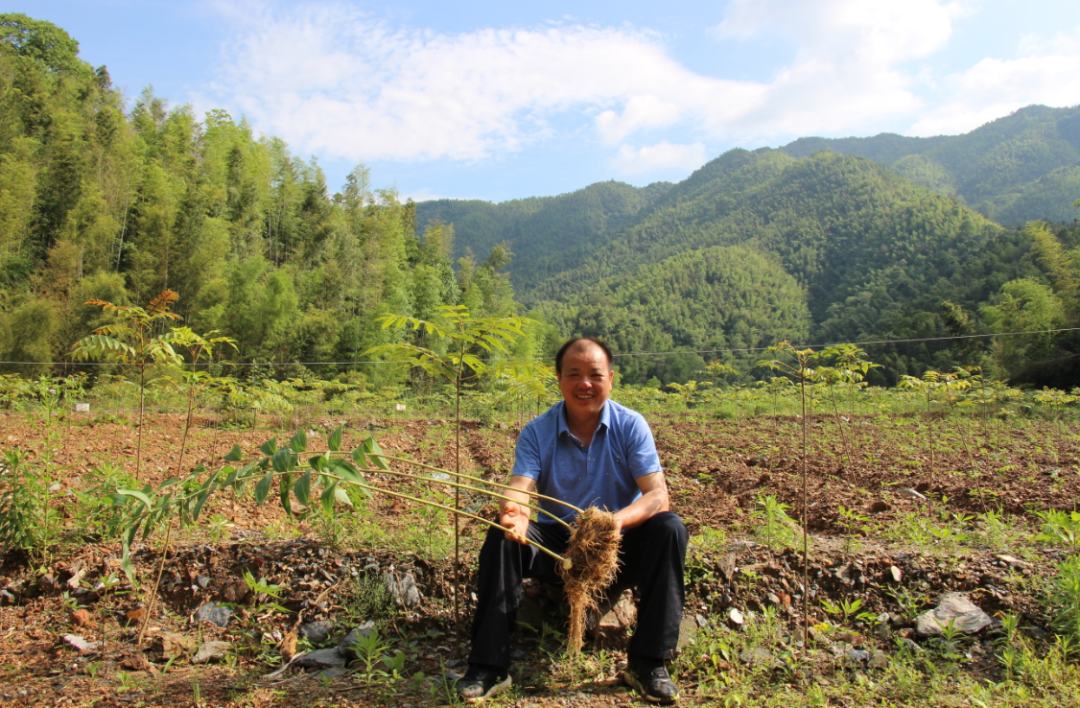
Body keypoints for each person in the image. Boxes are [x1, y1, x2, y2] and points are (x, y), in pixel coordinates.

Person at [457, 337, 688, 704]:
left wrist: (615, 523)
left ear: (610, 379)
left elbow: (658, 495)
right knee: (503, 537)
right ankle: (488, 666)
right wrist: (515, 513)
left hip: (617, 546)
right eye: (574, 374)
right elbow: (519, 486)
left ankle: (648, 663)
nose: (585, 384)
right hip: (559, 545)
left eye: (595, 375)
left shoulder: (631, 425)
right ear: (560, 380)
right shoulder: (538, 431)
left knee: (669, 528)